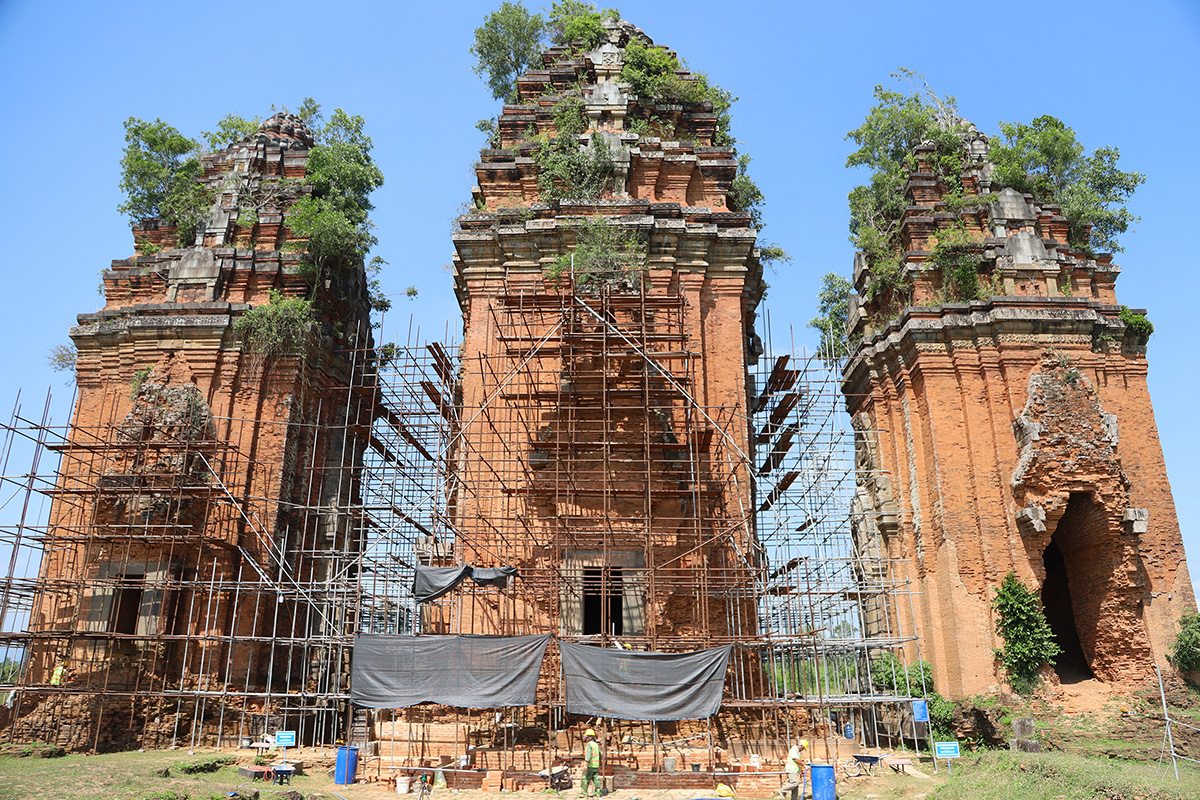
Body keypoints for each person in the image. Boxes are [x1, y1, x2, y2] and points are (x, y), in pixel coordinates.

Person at [581, 728, 601, 798]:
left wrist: (586, 764)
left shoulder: (590, 744)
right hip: (596, 766)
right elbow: (600, 755)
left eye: (586, 737)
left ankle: (584, 793)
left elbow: (588, 755)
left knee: (585, 779)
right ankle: (598, 793)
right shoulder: (596, 745)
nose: (585, 739)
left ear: (590, 737)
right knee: (596, 780)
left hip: (590, 765)